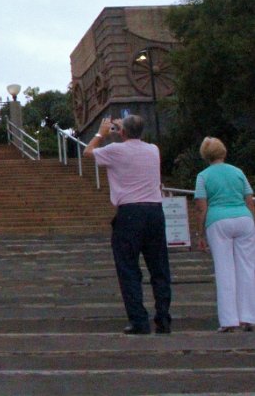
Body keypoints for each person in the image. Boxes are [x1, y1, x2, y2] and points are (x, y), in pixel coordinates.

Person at [84, 115, 171, 334]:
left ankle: (139, 321)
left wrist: (101, 133)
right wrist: (124, 130)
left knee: (128, 269)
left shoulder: (115, 150)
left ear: (122, 132)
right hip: (154, 211)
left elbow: (88, 152)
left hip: (130, 213)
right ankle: (163, 318)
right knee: (159, 268)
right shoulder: (153, 150)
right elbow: (133, 138)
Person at [192, 136, 255, 332]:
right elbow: (249, 200)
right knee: (247, 268)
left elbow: (201, 207)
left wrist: (200, 234)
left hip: (218, 221)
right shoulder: (238, 172)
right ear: (224, 152)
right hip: (243, 219)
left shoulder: (203, 176)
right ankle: (249, 317)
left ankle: (229, 320)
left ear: (205, 155)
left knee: (224, 269)